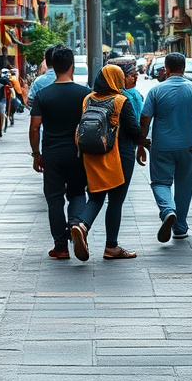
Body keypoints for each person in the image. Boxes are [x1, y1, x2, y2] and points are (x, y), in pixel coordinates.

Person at [69, 64, 148, 262]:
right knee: (116, 201)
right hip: (118, 157)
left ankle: (81, 225)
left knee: (95, 197)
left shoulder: (88, 99)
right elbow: (133, 129)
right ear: (116, 80)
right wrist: (144, 142)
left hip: (91, 156)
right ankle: (111, 246)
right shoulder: (121, 100)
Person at [139, 52, 192, 242]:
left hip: (162, 147)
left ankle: (167, 210)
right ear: (183, 68)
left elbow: (145, 119)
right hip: (188, 146)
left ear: (166, 68)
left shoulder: (156, 91)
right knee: (185, 186)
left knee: (160, 182)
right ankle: (180, 226)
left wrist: (141, 143)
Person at [29, 45, 91, 259]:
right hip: (78, 153)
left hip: (52, 155)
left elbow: (35, 127)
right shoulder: (85, 94)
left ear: (52, 67)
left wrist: (36, 154)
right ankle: (76, 225)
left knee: (54, 199)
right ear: (72, 67)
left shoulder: (43, 95)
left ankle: (61, 246)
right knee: (77, 193)